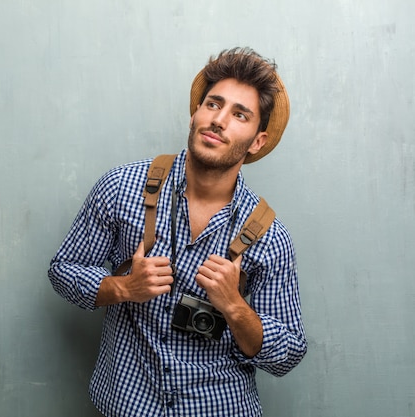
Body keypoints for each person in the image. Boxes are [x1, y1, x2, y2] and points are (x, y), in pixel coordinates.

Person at [48, 47, 307, 417]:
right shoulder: (121, 187)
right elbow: (63, 270)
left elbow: (288, 354)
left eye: (239, 115)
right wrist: (122, 287)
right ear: (194, 114)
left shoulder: (271, 237)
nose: (219, 120)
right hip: (129, 405)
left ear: (257, 141)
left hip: (220, 408)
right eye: (213, 105)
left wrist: (235, 307)